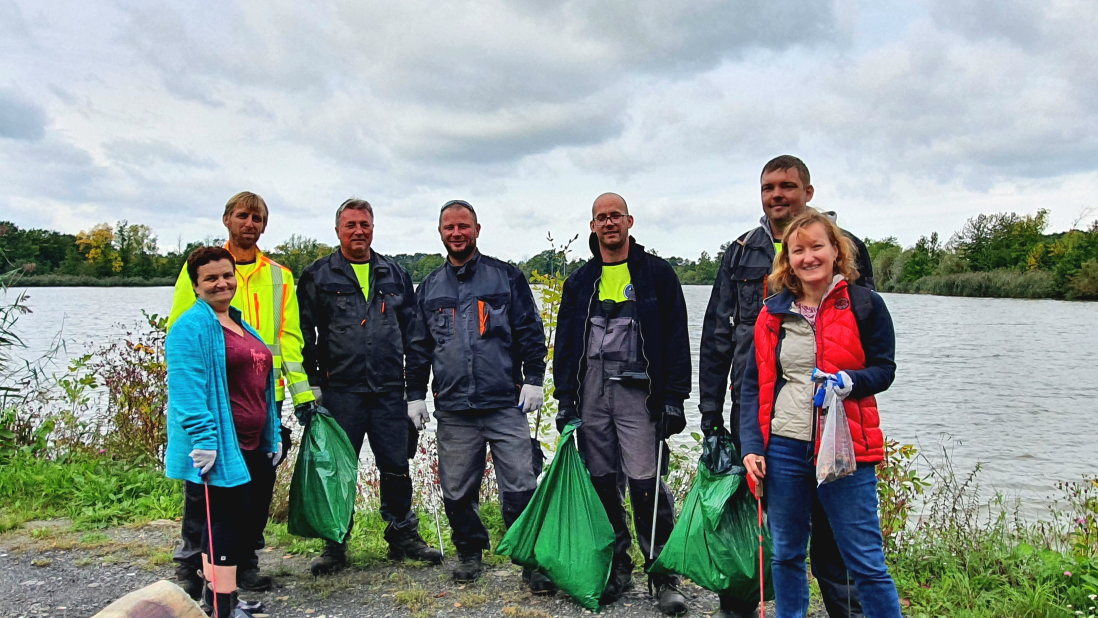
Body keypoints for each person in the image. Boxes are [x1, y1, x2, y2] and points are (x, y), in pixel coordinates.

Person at [698, 156, 873, 618]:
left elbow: (864, 332)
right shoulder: (740, 251)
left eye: (787, 186)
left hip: (831, 414)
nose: (777, 195)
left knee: (835, 537)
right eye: (768, 187)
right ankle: (740, 606)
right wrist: (710, 411)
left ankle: (846, 611)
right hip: (755, 407)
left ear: (807, 192)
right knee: (756, 520)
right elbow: (717, 333)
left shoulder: (845, 247)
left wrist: (851, 386)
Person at [739, 210, 901, 618]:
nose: (808, 257)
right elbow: (752, 384)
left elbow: (885, 369)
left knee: (865, 561)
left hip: (846, 451)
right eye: (798, 250)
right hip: (785, 448)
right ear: (787, 259)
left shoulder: (865, 305)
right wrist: (752, 447)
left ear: (835, 251)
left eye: (817, 247)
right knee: (787, 555)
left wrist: (851, 382)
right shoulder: (771, 313)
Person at [168, 192, 319, 597]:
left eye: (256, 217)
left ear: (264, 225)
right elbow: (183, 327)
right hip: (218, 395)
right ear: (226, 220)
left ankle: (244, 562)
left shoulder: (280, 276)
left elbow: (289, 338)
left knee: (255, 489)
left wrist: (302, 395)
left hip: (264, 397)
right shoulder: (202, 267)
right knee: (206, 491)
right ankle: (191, 567)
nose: (249, 223)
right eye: (241, 215)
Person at [405, 199, 553, 593]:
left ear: (477, 230)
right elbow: (418, 348)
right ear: (440, 232)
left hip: (506, 403)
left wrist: (534, 379)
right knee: (456, 488)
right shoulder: (430, 287)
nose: (457, 233)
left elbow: (530, 333)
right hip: (453, 408)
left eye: (463, 226)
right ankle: (470, 552)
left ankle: (530, 559)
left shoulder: (506, 278)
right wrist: (414, 396)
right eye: (449, 227)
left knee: (521, 484)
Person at [553, 193, 691, 615]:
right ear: (592, 227)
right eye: (601, 218)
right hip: (592, 392)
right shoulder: (580, 281)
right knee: (601, 480)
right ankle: (618, 563)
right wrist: (564, 399)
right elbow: (565, 345)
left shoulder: (656, 275)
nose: (609, 223)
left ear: (630, 220)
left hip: (640, 394)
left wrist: (674, 398)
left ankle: (661, 571)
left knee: (646, 481)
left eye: (615, 216)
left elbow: (675, 337)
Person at [296, 199, 443, 575]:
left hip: (389, 390)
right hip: (339, 390)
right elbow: (305, 334)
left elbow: (414, 334)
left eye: (364, 224)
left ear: (373, 227)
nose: (358, 231)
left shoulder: (393, 272)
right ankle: (334, 544)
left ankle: (402, 535)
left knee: (396, 465)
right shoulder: (317, 276)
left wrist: (415, 392)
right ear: (337, 230)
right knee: (337, 468)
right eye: (350, 225)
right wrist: (312, 384)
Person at [165, 247, 285, 618]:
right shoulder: (190, 328)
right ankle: (222, 608)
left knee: (240, 524)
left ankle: (222, 598)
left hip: (252, 444)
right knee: (223, 528)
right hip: (221, 446)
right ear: (196, 285)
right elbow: (188, 392)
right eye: (211, 278)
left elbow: (260, 381)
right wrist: (203, 440)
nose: (222, 283)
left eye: (227, 275)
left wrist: (273, 434)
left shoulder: (238, 321)